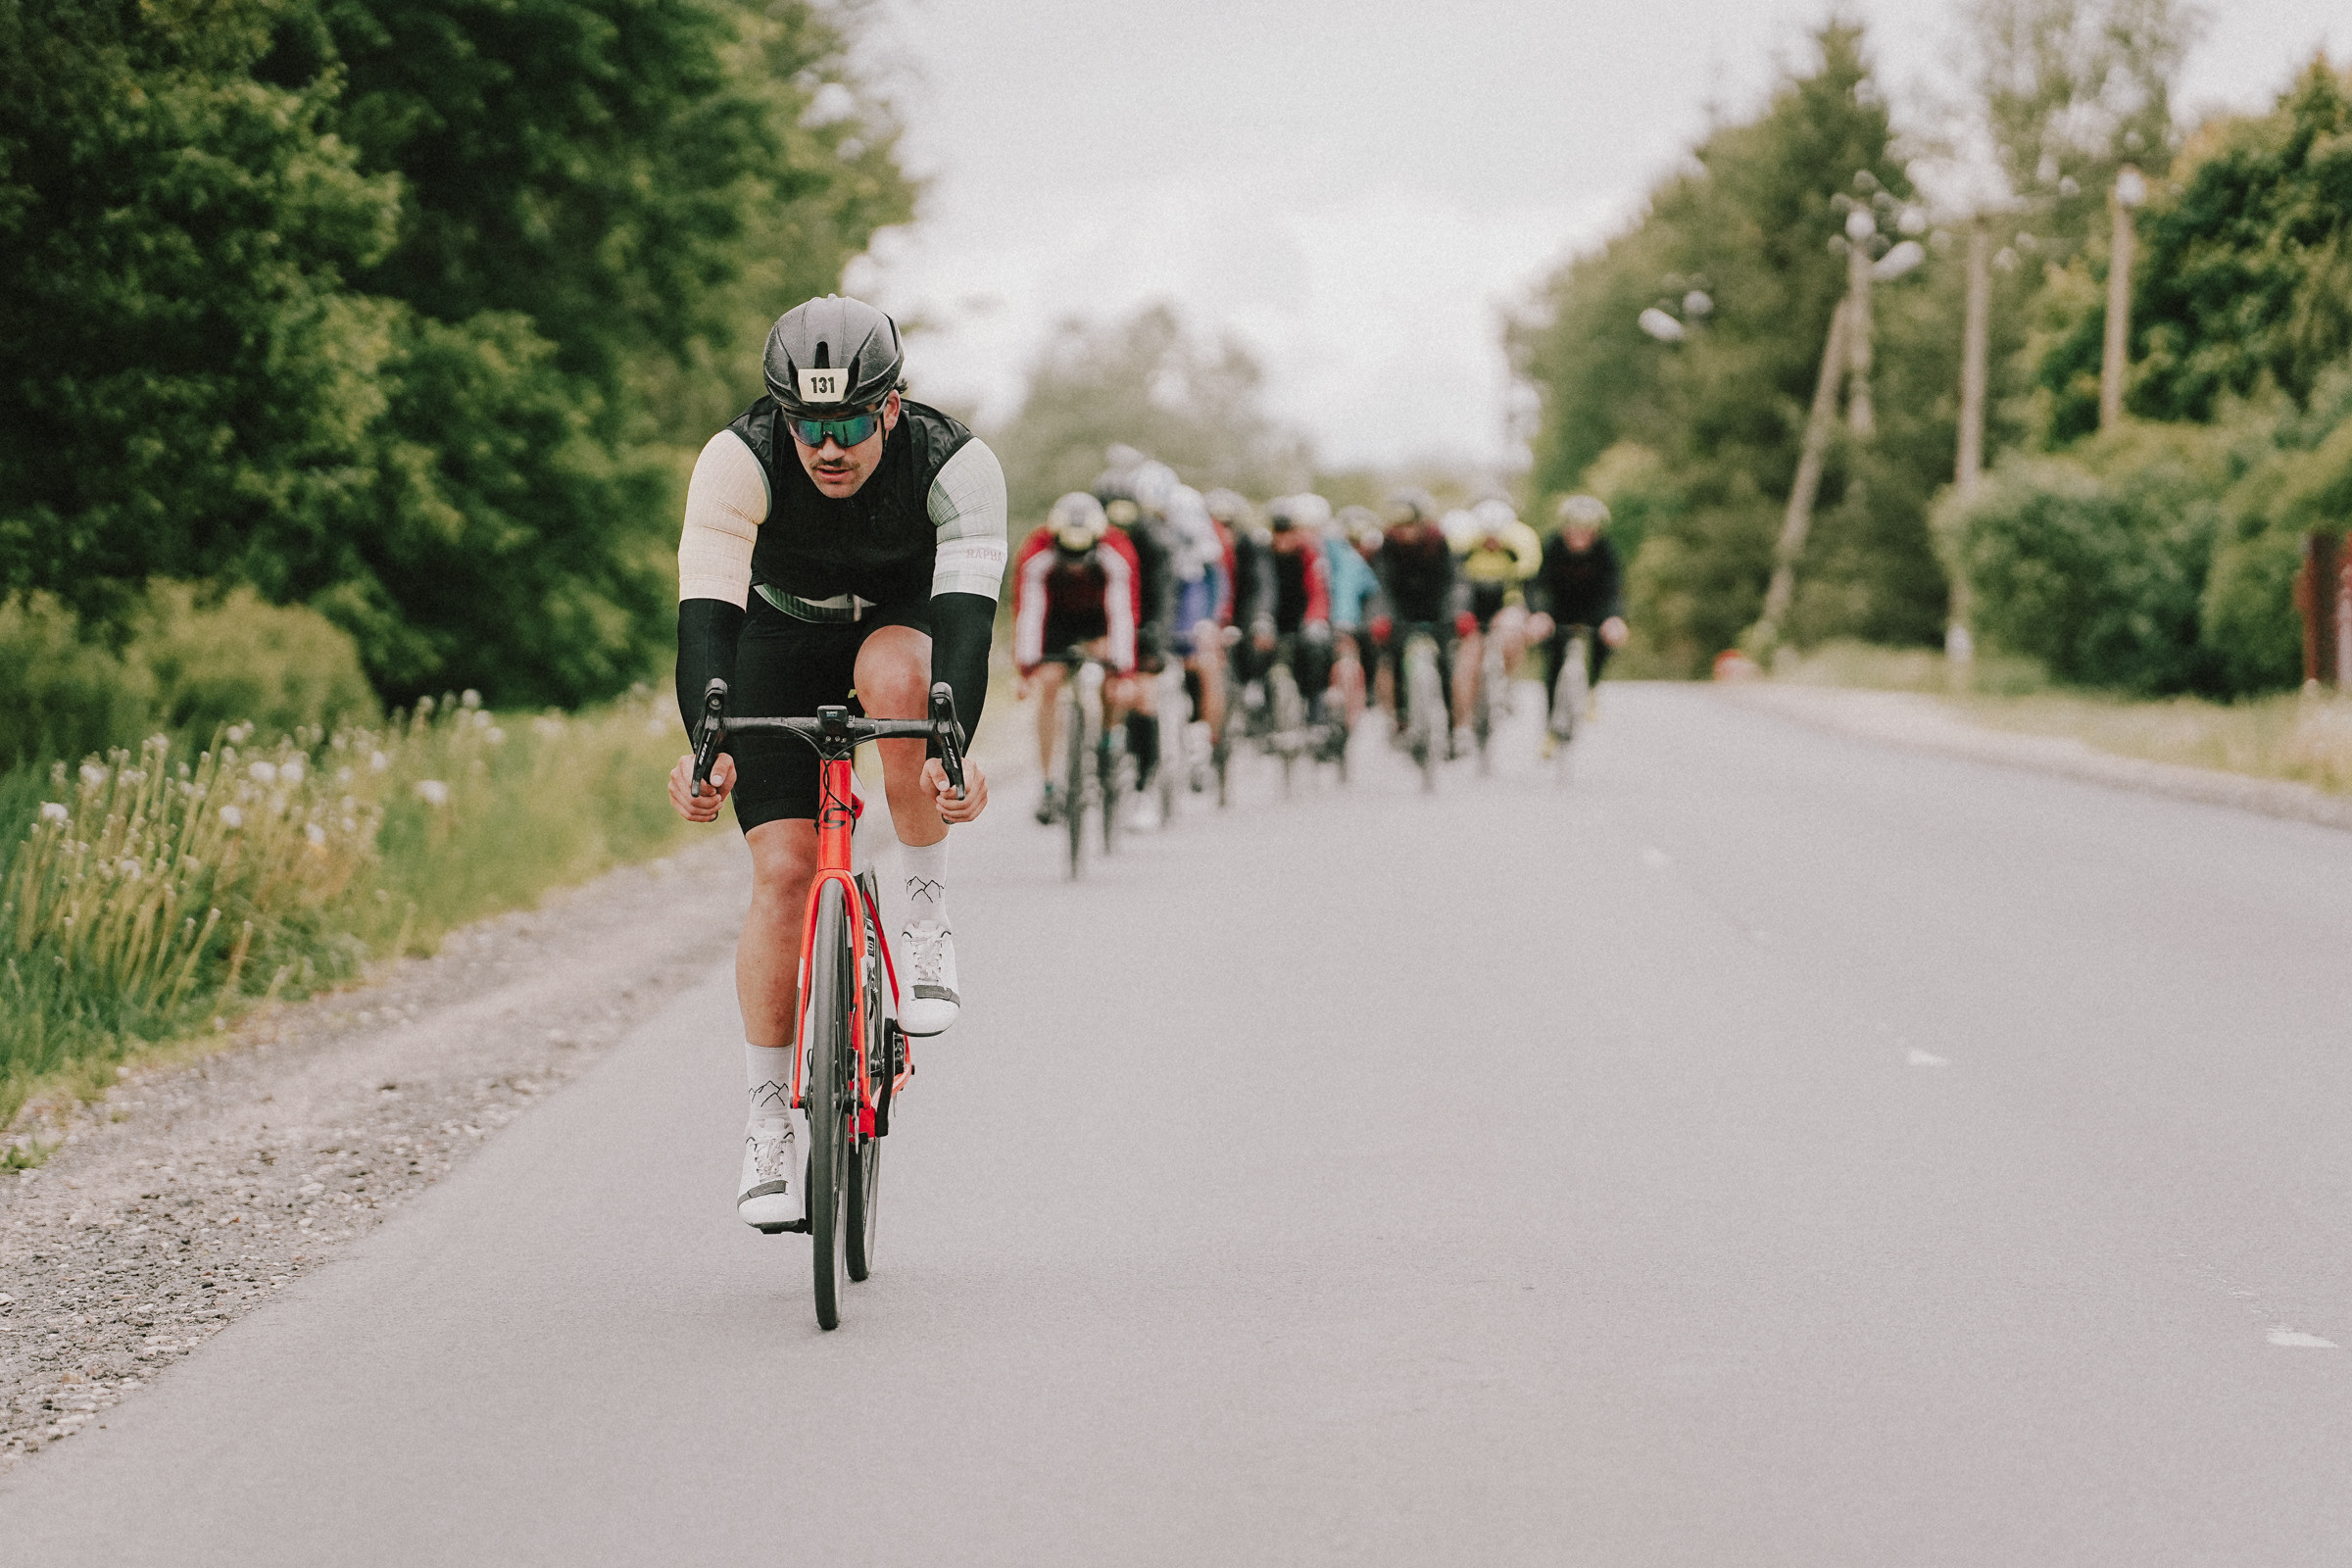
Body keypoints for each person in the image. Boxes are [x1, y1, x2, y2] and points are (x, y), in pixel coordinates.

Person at [667, 294, 1005, 1233]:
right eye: (808, 424)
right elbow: (706, 623)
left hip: (900, 627)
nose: (828, 447)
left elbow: (967, 634)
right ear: (782, 414)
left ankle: (924, 915)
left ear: (891, 407)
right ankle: (767, 1122)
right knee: (783, 874)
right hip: (778, 633)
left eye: (850, 423)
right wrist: (706, 749)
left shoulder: (955, 465)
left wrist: (952, 756)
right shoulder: (737, 460)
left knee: (898, 677)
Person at [1012, 491, 1140, 819]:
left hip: (1099, 618)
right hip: (1057, 619)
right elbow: (1028, 612)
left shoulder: (1117, 549)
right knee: (1049, 683)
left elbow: (1123, 614)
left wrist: (1124, 674)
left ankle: (1109, 741)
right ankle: (1049, 785)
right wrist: (1027, 670)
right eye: (1068, 554)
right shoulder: (1037, 549)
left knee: (1112, 680)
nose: (1075, 565)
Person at [1525, 493, 1629, 749]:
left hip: (1594, 609)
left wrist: (1615, 618)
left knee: (1606, 639)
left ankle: (1592, 686)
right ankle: (1550, 728)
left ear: (1597, 532)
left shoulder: (1606, 550)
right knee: (1553, 662)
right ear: (1564, 529)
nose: (1580, 538)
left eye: (1587, 532)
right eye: (1575, 531)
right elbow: (1535, 585)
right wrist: (1538, 613)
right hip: (1557, 609)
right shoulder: (1552, 546)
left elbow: (1615, 590)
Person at [1369, 488, 1459, 742]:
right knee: (1395, 657)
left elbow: (1453, 582)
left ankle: (1451, 724)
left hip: (1437, 610)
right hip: (1401, 613)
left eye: (1410, 525)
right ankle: (1401, 717)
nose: (1405, 531)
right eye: (1400, 526)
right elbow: (1381, 586)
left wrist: (1456, 614)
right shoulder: (1387, 546)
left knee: (1446, 663)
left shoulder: (1439, 543)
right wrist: (1381, 617)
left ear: (1421, 523)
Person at [1451, 497, 1543, 736]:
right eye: (1487, 534)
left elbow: (1529, 587)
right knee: (1467, 665)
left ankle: (1506, 680)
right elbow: (1455, 586)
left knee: (1513, 630)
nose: (1492, 540)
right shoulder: (1464, 546)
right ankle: (1463, 725)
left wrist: (1531, 615)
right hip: (1473, 606)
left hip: (1504, 603)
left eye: (1497, 534)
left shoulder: (1520, 546)